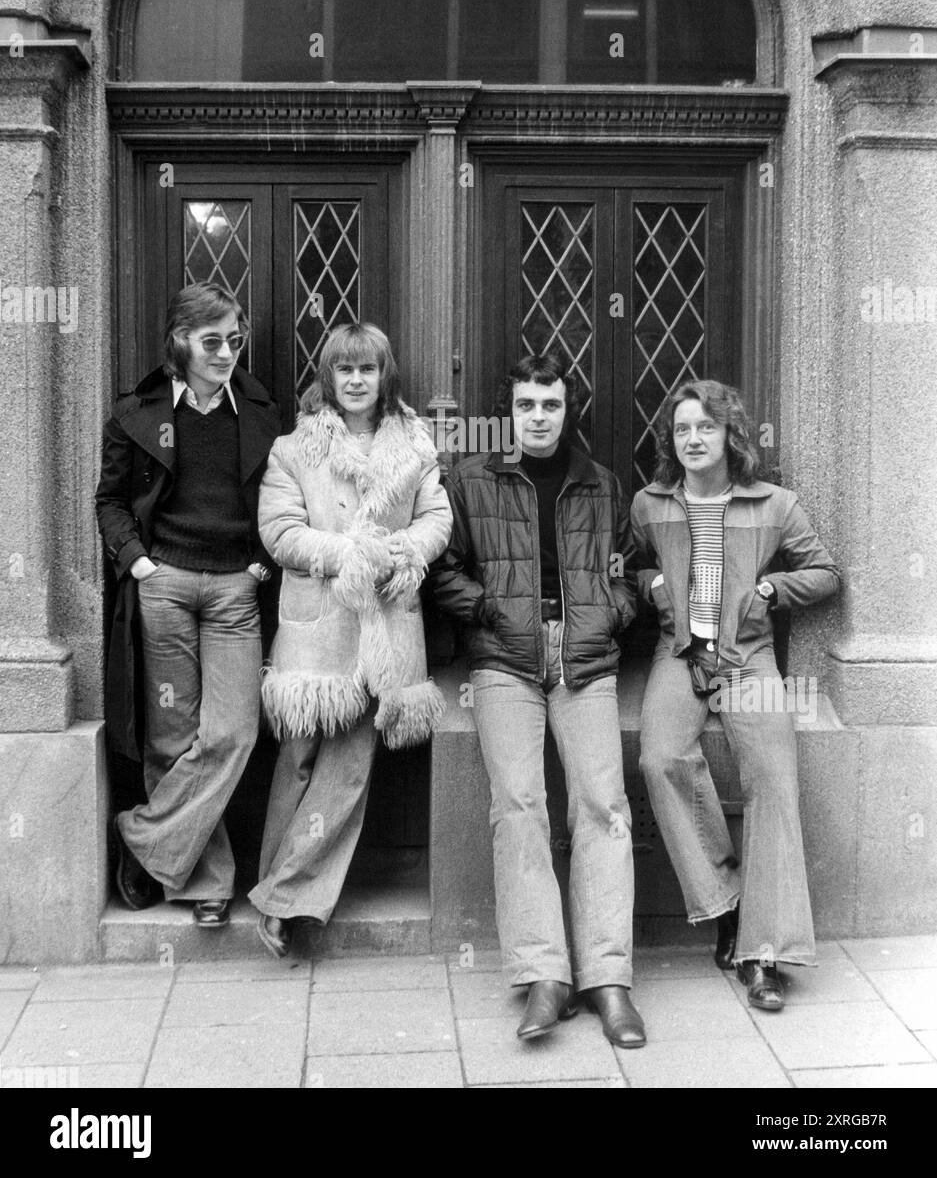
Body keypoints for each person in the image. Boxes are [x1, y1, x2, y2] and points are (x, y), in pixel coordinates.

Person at [429, 352, 645, 1047]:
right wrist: (490, 610)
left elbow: (630, 569)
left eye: (551, 405)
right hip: (505, 660)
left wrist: (610, 612)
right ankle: (544, 975)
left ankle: (607, 979)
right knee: (518, 806)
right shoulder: (471, 480)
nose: (539, 417)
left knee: (603, 806)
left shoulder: (600, 483)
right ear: (510, 412)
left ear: (567, 409)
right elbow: (441, 568)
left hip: (585, 657)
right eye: (526, 405)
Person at [631, 379, 841, 1011]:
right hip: (679, 654)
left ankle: (764, 953)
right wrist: (651, 585)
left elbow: (826, 573)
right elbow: (623, 566)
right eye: (682, 429)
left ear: (730, 435)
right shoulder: (649, 504)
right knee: (659, 759)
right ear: (671, 441)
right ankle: (727, 906)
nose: (693, 439)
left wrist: (773, 591)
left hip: (748, 660)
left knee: (773, 777)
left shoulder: (774, 504)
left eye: (706, 427)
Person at [250, 323, 452, 958]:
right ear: (329, 377)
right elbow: (280, 532)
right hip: (318, 630)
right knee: (297, 760)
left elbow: (437, 518)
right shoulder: (294, 449)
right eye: (346, 369)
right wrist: (349, 554)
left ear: (384, 375)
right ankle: (274, 884)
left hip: (383, 630)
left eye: (368, 369)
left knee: (347, 769)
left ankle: (287, 899)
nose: (357, 380)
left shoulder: (414, 445)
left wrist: (402, 551)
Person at [95, 281, 281, 927]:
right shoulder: (136, 413)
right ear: (180, 341)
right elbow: (110, 500)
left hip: (235, 591)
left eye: (235, 340)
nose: (226, 353)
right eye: (212, 341)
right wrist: (137, 562)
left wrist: (261, 563)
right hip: (165, 585)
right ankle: (205, 882)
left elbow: (281, 497)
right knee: (173, 736)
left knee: (234, 732)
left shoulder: (259, 412)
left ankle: (141, 835)